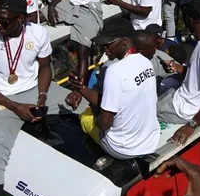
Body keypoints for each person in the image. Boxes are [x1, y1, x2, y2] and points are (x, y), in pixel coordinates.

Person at [0, 0, 86, 196]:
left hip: (38, 90)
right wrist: (14, 106)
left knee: (85, 106)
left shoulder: (38, 33)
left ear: (21, 19)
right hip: (4, 99)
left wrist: (42, 97)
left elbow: (45, 68)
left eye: (4, 20)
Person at [68, 17, 160, 160]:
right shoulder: (145, 62)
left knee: (85, 118)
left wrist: (94, 110)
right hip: (150, 141)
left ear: (124, 41)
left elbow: (104, 123)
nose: (104, 50)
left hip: (123, 148)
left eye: (107, 44)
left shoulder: (114, 71)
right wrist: (81, 88)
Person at [156, 0, 200, 146]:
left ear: (189, 19)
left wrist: (191, 125)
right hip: (189, 98)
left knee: (146, 109)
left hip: (186, 109)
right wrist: (179, 68)